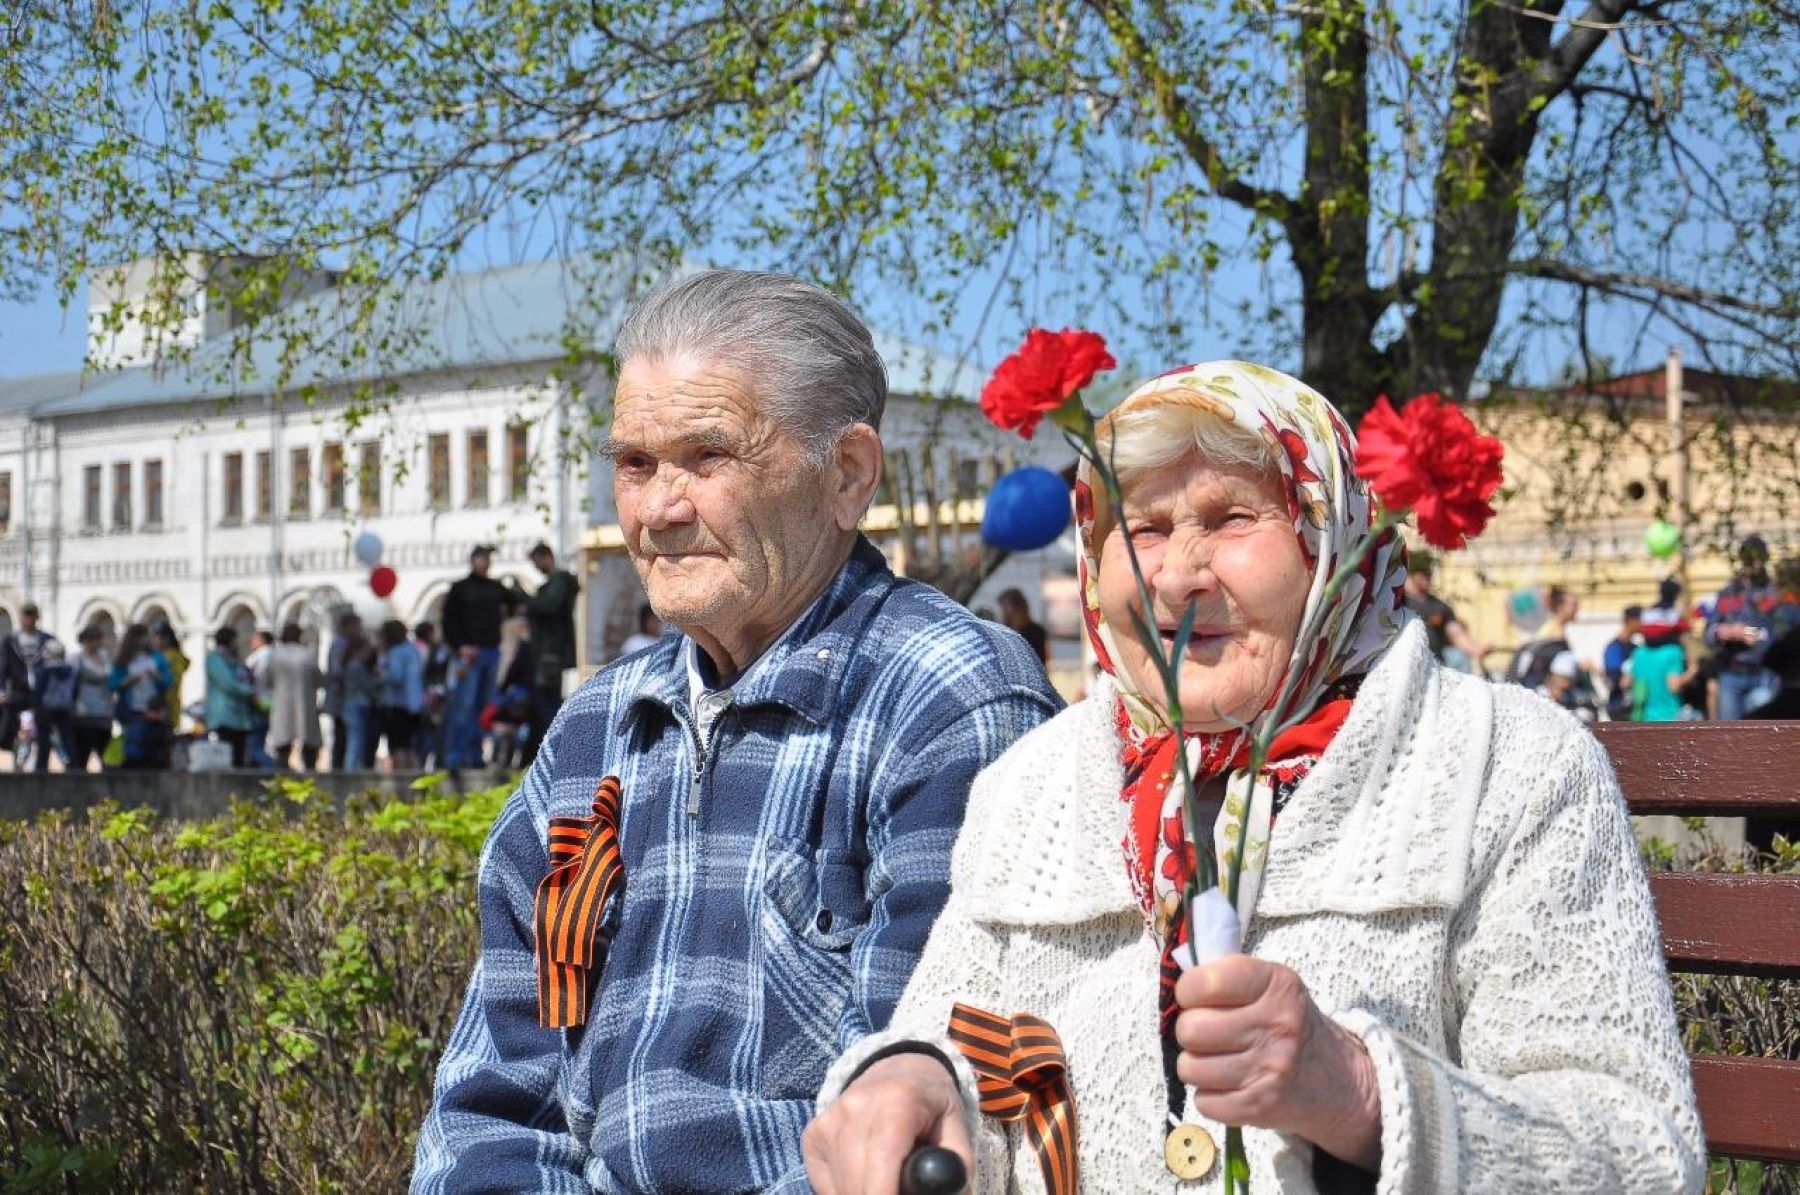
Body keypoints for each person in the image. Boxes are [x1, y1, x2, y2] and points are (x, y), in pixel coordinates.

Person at [803, 361, 1702, 1194]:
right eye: (1142, 528)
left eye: (1231, 518)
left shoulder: (1507, 763)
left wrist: (1357, 1092)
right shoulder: (1030, 784)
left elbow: (1643, 1152)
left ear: (1331, 536)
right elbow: (955, 1043)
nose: (1177, 577)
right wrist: (913, 1079)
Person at [413, 269, 1061, 1192]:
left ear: (847, 474)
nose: (659, 510)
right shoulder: (598, 727)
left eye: (708, 456)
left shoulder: (950, 702)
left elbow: (918, 1108)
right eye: (635, 464)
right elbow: (491, 1098)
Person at [440, 546, 514, 767]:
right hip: (469, 654)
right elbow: (448, 621)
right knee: (464, 704)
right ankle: (456, 754)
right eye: (482, 558)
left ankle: (474, 753)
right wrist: (460, 646)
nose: (486, 563)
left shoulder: (495, 588)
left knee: (483, 706)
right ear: (473, 560)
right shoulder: (460, 588)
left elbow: (515, 602)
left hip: (491, 651)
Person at [1706, 534, 1782, 719]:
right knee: (1729, 737)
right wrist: (1723, 632)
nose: (1754, 564)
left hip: (1763, 673)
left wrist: (1755, 636)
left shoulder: (1773, 594)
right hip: (1731, 672)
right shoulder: (1727, 593)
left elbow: (1781, 635)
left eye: (1758, 559)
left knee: (1763, 734)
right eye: (1749, 559)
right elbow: (1708, 633)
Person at [521, 542, 580, 763]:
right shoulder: (556, 584)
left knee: (548, 707)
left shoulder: (559, 583)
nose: (536, 568)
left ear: (547, 557)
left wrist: (524, 598)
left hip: (551, 655)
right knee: (542, 707)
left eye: (536, 562)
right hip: (548, 654)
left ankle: (554, 754)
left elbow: (547, 607)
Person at [1400, 553, 1483, 672]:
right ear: (1412, 574)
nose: (1428, 577)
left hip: (1435, 666)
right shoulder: (1400, 602)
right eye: (1424, 573)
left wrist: (1474, 649)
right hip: (1405, 664)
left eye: (1430, 574)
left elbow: (1456, 633)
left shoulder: (1440, 606)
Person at [110, 623, 173, 770]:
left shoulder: (157, 657)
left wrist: (157, 677)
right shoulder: (124, 660)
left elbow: (169, 681)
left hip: (154, 707)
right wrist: (128, 681)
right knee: (135, 737)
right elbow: (112, 684)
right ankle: (133, 762)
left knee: (153, 740)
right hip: (131, 707)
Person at [1, 602, 59, 761]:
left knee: (44, 727)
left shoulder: (48, 640)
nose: (28, 619)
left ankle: (41, 764)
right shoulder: (10, 640)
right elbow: (3, 667)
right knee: (10, 717)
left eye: (31, 615)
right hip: (19, 689)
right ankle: (11, 747)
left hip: (42, 691)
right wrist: (1, 690)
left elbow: (57, 664)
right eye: (26, 615)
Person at [266, 623, 323, 770]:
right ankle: (310, 776)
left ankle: (281, 779)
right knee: (309, 743)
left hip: (282, 705)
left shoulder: (275, 656)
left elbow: (266, 679)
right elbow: (319, 680)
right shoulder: (307, 655)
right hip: (304, 704)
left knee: (282, 747)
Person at [204, 627, 258, 767]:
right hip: (224, 715)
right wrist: (249, 690)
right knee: (227, 756)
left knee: (238, 756)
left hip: (240, 717)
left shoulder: (235, 660)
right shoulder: (214, 659)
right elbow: (227, 683)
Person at [1508, 585, 1580, 690]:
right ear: (1560, 608)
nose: (1577, 609)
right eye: (1574, 605)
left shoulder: (1557, 629)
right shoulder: (1552, 632)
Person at [376, 619, 424, 770]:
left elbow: (395, 676)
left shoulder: (396, 652)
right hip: (414, 704)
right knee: (409, 745)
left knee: (398, 746)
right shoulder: (413, 650)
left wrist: (380, 674)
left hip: (397, 704)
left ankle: (401, 779)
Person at [69, 627, 116, 772]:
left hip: (104, 714)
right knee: (81, 757)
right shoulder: (76, 659)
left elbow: (112, 677)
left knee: (106, 757)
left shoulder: (106, 658)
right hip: (83, 714)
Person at [322, 612, 364, 770]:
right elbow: (336, 670)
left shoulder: (349, 644)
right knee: (341, 736)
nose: (359, 630)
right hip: (341, 699)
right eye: (357, 626)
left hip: (346, 698)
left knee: (346, 737)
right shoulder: (340, 644)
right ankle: (338, 768)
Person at [32, 641, 78, 771]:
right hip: (65, 707)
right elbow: (75, 690)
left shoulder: (44, 670)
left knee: (44, 738)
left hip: (46, 707)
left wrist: (36, 706)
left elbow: (38, 690)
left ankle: (41, 766)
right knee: (67, 737)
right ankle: (74, 765)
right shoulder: (71, 671)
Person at [413, 621, 450, 768]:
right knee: (431, 735)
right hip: (431, 698)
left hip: (430, 697)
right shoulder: (429, 650)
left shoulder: (431, 649)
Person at [340, 637, 378, 769]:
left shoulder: (352, 665)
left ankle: (352, 768)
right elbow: (369, 685)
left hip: (353, 706)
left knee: (355, 741)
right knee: (356, 741)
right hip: (356, 706)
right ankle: (351, 771)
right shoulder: (356, 666)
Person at [1602, 605, 1643, 721]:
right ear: (1632, 621)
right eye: (1641, 621)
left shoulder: (1636, 648)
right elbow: (1616, 679)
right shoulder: (1614, 649)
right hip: (1619, 707)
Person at [244, 628, 276, 768]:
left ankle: (272, 767)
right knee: (261, 737)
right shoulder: (276, 654)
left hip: (259, 701)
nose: (252, 641)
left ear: (262, 640)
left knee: (253, 743)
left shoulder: (258, 656)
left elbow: (255, 677)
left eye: (255, 638)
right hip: (271, 701)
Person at [997, 587, 1051, 666]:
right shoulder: (1003, 631)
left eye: (1006, 607)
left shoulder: (1036, 632)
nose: (1004, 613)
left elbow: (1039, 661)